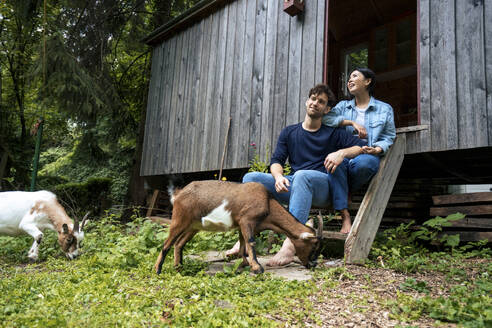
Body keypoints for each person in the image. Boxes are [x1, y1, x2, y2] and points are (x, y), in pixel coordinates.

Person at [226, 84, 367, 266]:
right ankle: (245, 239)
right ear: (307, 101)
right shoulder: (290, 132)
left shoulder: (334, 133)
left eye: (321, 102)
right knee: (250, 179)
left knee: (302, 176)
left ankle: (290, 245)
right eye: (313, 99)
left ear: (327, 109)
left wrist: (341, 153)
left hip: (323, 187)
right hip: (296, 184)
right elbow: (276, 160)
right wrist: (278, 177)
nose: (315, 103)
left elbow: (359, 147)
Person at [322, 67, 396, 233]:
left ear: (367, 81)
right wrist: (351, 123)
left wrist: (377, 149)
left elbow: (389, 136)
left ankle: (344, 189)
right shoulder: (343, 107)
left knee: (367, 165)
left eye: (354, 76)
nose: (349, 80)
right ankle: (345, 215)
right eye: (349, 77)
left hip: (366, 153)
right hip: (345, 152)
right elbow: (325, 118)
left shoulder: (384, 109)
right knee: (334, 163)